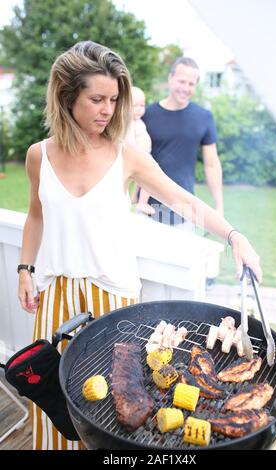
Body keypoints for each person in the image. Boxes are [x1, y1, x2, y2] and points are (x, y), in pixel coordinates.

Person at [18, 41, 261, 450]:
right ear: (66, 96)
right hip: (55, 299)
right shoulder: (38, 156)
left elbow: (185, 201)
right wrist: (25, 269)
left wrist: (234, 235)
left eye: (114, 99)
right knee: (56, 407)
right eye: (97, 99)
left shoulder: (124, 155)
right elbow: (36, 216)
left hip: (112, 301)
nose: (108, 110)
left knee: (110, 417)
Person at [140, 56, 223, 227]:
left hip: (185, 212)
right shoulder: (147, 115)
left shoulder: (203, 117)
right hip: (148, 209)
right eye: (181, 81)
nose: (185, 88)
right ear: (170, 79)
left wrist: (219, 206)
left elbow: (212, 165)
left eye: (191, 84)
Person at [126, 86, 155, 215]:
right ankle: (141, 202)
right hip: (139, 158)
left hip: (144, 156)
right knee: (148, 179)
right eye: (134, 106)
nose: (139, 109)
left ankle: (137, 200)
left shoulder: (138, 121)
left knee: (142, 182)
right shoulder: (129, 124)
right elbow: (130, 143)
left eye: (142, 106)